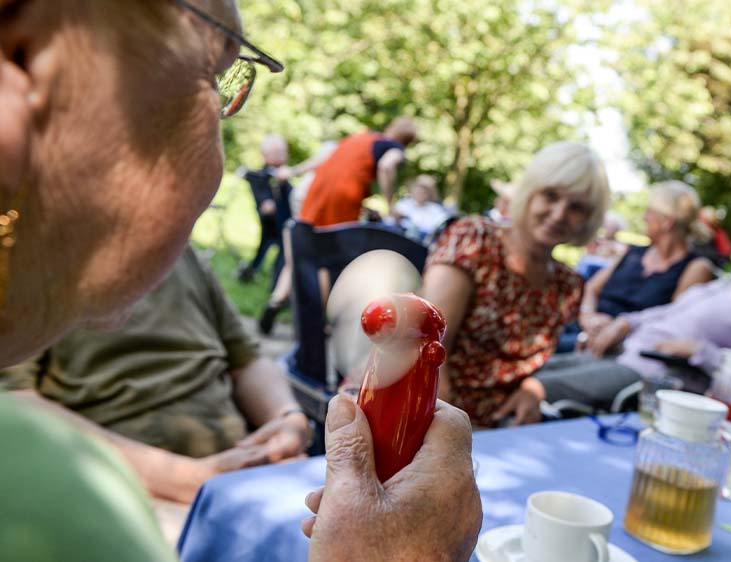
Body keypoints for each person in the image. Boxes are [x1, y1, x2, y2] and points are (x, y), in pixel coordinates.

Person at [0, 2, 480, 560]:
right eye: (216, 76)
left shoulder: (178, 267)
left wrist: (284, 418)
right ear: (21, 71)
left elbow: (245, 355)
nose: (220, 158)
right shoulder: (36, 487)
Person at [1, 246, 311, 503]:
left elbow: (247, 359)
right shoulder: (29, 259)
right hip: (127, 492)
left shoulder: (180, 249)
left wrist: (286, 417)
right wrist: (189, 479)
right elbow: (17, 405)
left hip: (241, 472)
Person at [535, 208, 731, 411]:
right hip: (627, 350)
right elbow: (672, 310)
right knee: (530, 368)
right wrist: (626, 322)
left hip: (655, 375)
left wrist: (701, 351)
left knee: (535, 388)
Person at [422, 141, 611, 427]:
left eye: (576, 207)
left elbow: (520, 368)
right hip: (433, 415)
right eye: (550, 196)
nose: (559, 214)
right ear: (529, 191)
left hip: (505, 430)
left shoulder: (568, 285)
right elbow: (426, 349)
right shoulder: (475, 240)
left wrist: (532, 388)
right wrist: (452, 433)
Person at [563, 181, 715, 351]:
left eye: (649, 211)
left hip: (624, 345)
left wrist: (621, 326)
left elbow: (673, 319)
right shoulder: (632, 252)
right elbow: (590, 288)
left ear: (667, 222)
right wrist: (588, 317)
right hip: (584, 329)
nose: (644, 217)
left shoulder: (696, 267)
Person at [299, 117, 417, 227]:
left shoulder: (361, 137)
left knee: (310, 233)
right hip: (344, 193)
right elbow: (386, 166)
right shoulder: (394, 147)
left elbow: (323, 159)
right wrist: (391, 206)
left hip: (318, 186)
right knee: (337, 238)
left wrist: (293, 171)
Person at [236, 133, 294, 284]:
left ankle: (273, 279)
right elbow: (265, 203)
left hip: (286, 222)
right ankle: (252, 273)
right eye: (277, 153)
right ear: (266, 155)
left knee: (282, 252)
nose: (282, 156)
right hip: (271, 224)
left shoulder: (285, 177)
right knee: (266, 248)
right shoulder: (261, 177)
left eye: (283, 152)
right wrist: (266, 202)